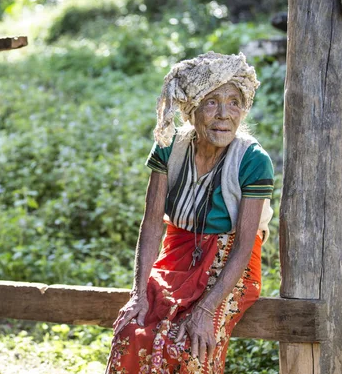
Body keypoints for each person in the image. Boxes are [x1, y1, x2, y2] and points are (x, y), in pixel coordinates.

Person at [105, 51, 274, 374]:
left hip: (230, 263)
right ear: (191, 110)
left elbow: (243, 245)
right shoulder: (169, 147)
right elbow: (153, 222)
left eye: (234, 102)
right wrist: (138, 294)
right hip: (177, 254)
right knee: (132, 329)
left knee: (188, 344)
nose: (224, 114)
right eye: (211, 102)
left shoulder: (253, 160)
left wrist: (207, 309)